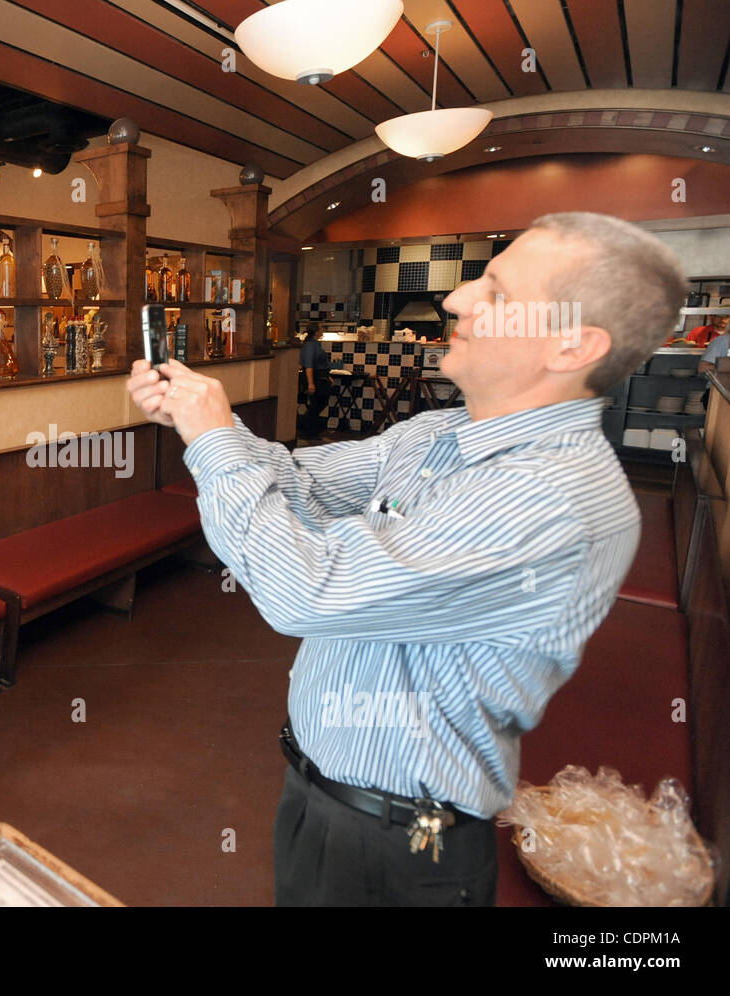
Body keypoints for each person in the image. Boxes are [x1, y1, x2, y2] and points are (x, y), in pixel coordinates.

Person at [126, 212, 687, 906]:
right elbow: (297, 482)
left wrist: (212, 441)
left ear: (572, 345)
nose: (456, 299)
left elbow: (303, 591)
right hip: (317, 792)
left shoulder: (552, 496)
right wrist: (199, 419)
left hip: (398, 847)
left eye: (498, 294)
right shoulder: (438, 434)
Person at [296, 323, 332, 438]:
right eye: (321, 328)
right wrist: (311, 383)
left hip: (321, 376)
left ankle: (306, 426)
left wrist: (327, 376)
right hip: (316, 378)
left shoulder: (314, 344)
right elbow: (309, 365)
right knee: (318, 403)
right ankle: (307, 428)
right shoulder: (311, 345)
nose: (323, 330)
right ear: (316, 332)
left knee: (318, 403)